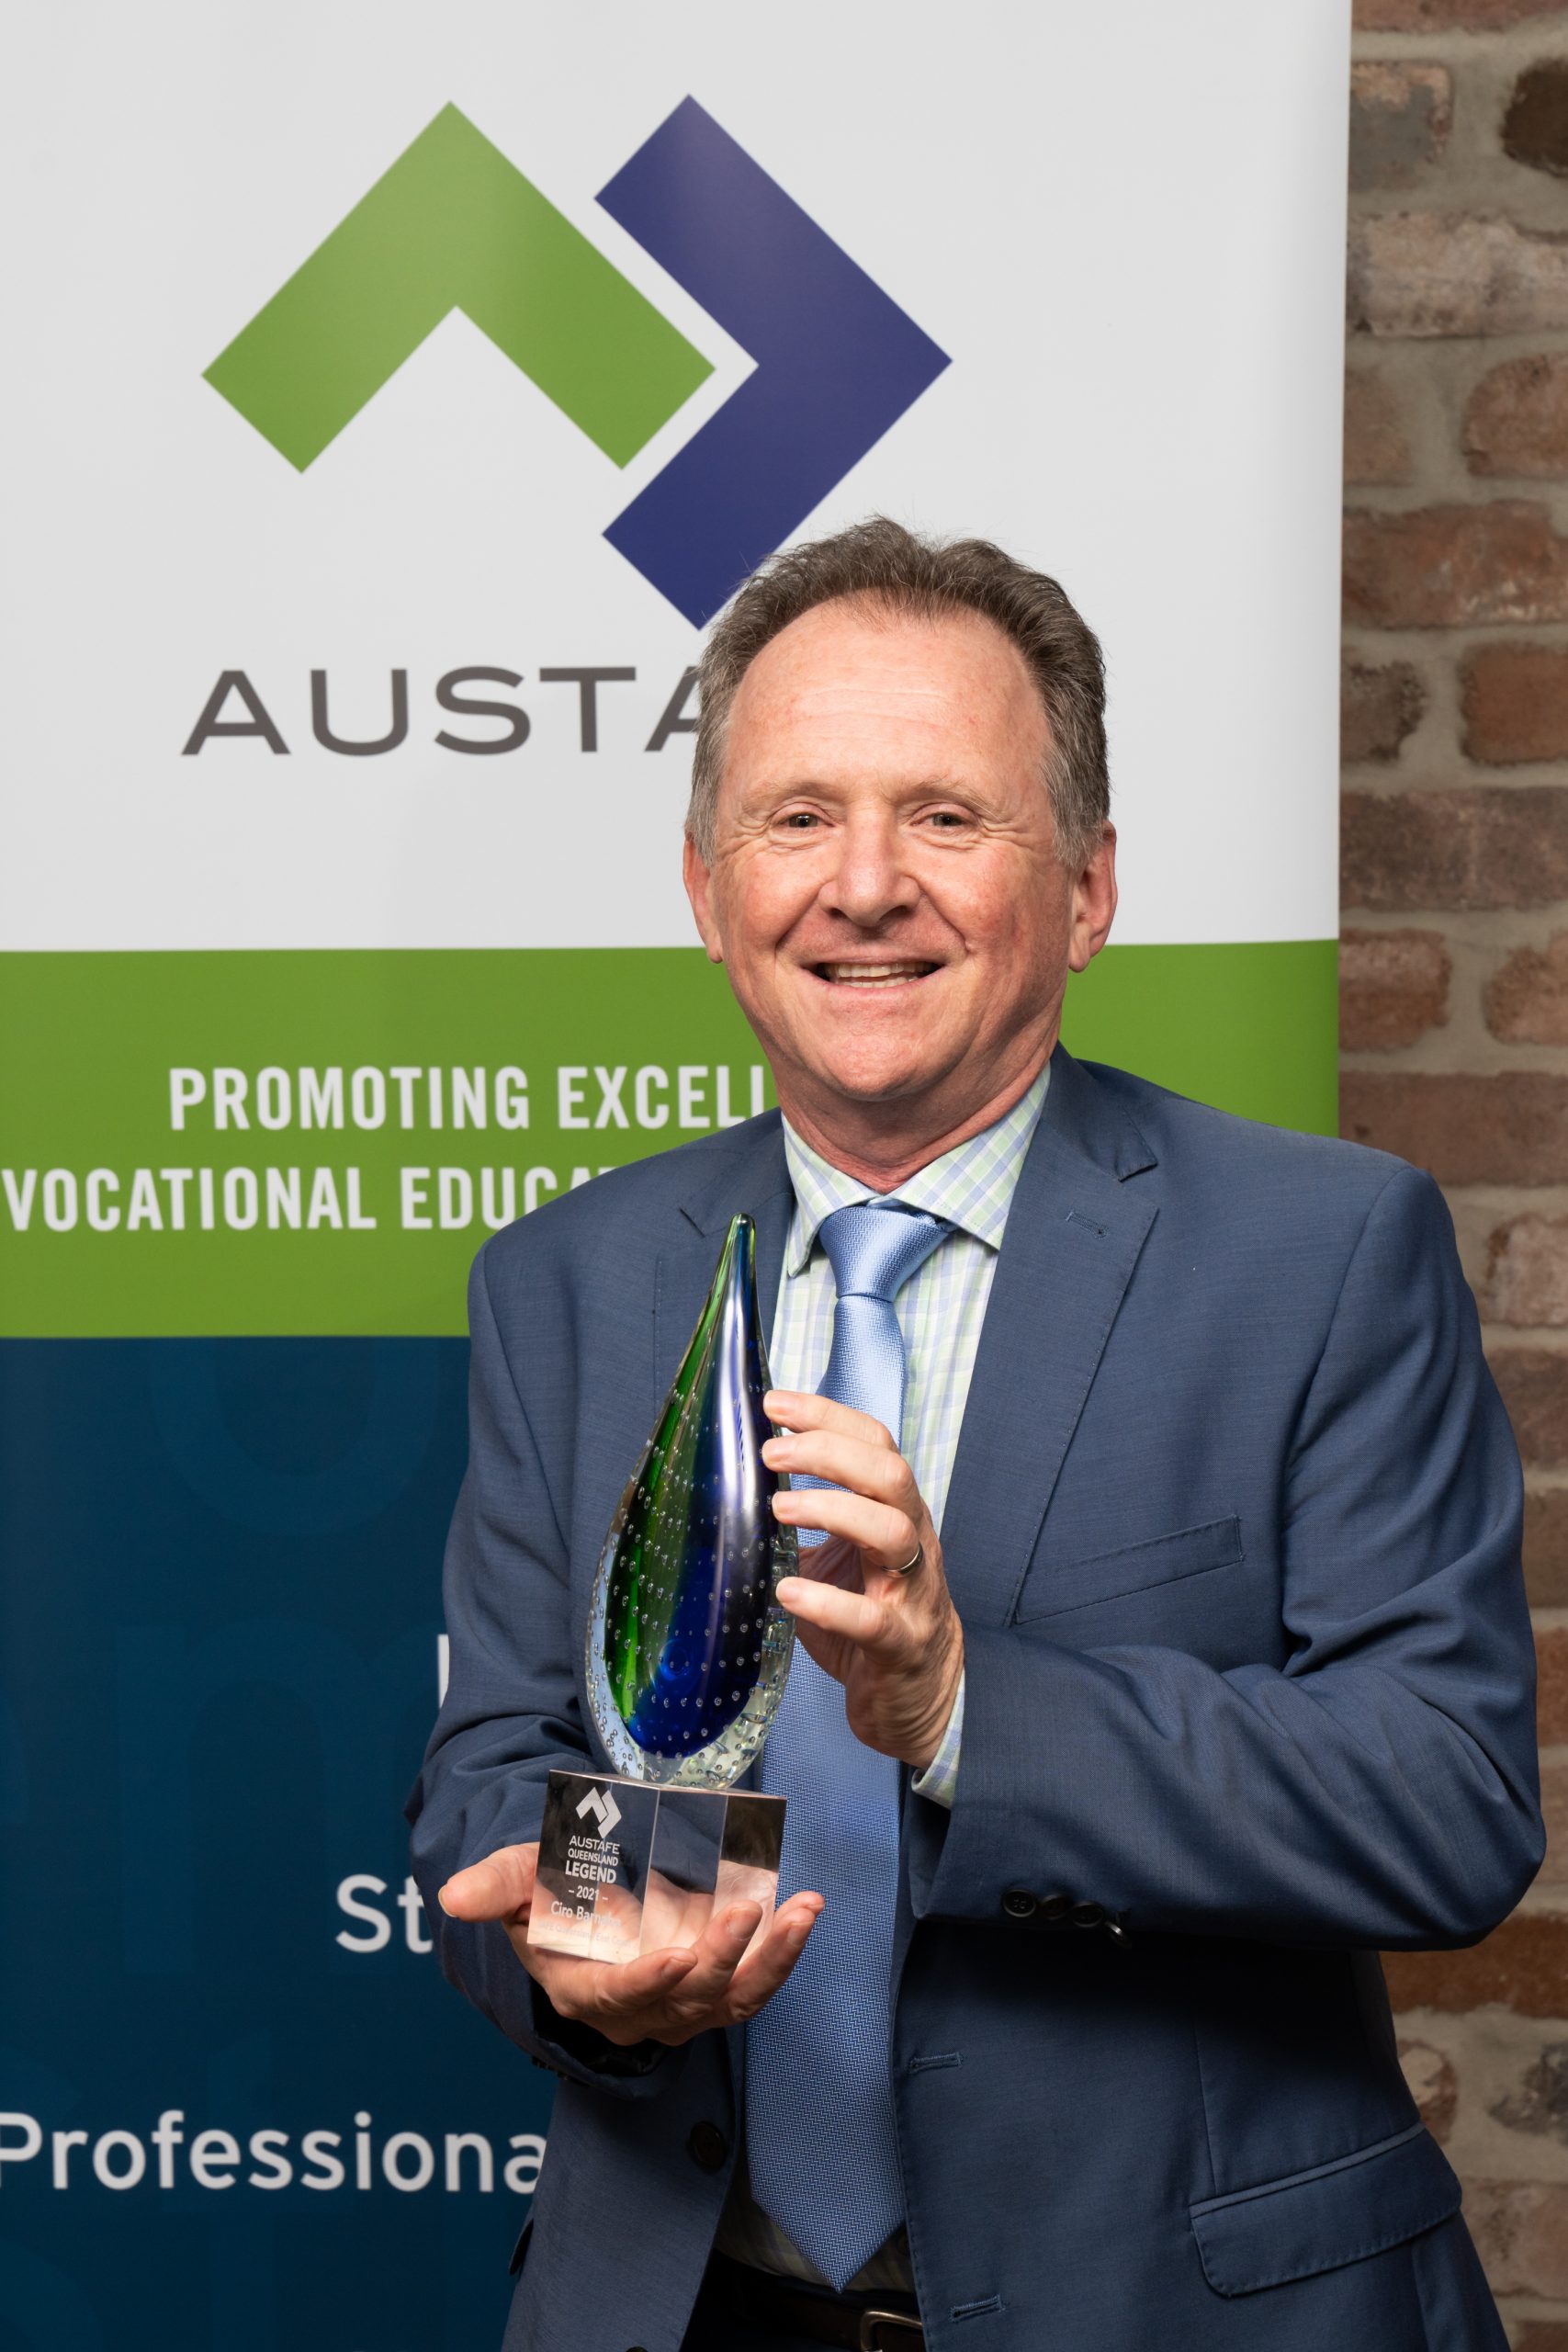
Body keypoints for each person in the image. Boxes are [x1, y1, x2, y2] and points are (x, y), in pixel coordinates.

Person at [408, 519, 1542, 2352]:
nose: (863, 886)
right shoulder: (567, 1278)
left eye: (945, 815)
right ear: (707, 889)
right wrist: (607, 1944)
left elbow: (1445, 1798)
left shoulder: (1323, 1252)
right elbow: (491, 1782)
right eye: (796, 818)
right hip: (685, 2307)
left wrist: (959, 1705)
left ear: (1086, 889)